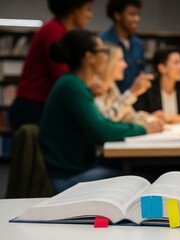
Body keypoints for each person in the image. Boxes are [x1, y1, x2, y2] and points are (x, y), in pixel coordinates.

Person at [39, 29, 164, 193]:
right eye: (103, 51)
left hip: (75, 169)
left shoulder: (76, 84)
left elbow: (103, 123)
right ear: (89, 57)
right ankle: (154, 218)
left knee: (149, 172)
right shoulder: (72, 86)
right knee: (150, 179)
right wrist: (144, 129)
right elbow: (101, 130)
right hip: (69, 178)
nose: (107, 55)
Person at [9, 0, 94, 131]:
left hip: (38, 103)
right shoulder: (53, 30)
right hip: (33, 105)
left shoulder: (59, 30)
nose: (90, 15)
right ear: (74, 10)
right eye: (87, 9)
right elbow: (61, 73)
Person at [94, 44, 156, 124]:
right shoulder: (94, 87)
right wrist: (131, 93)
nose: (125, 65)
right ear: (108, 62)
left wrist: (151, 118)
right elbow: (106, 121)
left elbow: (127, 116)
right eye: (120, 60)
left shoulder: (112, 86)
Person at [134, 48, 180, 123]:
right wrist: (151, 117)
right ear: (162, 68)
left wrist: (170, 118)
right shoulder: (148, 89)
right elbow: (137, 115)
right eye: (176, 63)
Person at [100, 0, 151, 93]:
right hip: (109, 99)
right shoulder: (102, 42)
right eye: (132, 14)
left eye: (138, 15)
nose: (137, 19)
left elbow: (141, 71)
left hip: (134, 100)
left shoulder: (138, 44)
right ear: (118, 15)